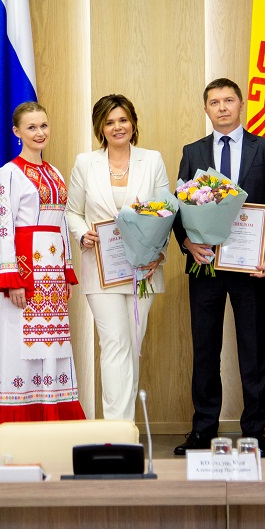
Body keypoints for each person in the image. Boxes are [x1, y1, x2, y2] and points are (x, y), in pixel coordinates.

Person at [172, 78, 265, 458]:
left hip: (250, 268)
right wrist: (187, 243)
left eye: (228, 100)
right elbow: (178, 207)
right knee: (205, 350)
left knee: (253, 351)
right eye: (214, 102)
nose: (222, 107)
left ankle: (254, 432)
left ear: (241, 105)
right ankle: (203, 430)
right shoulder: (192, 152)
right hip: (205, 266)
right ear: (206, 109)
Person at [0, 102, 85, 427]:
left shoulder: (55, 173)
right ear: (17, 132)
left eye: (44, 126)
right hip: (24, 272)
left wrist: (66, 271)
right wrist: (10, 276)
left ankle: (51, 412)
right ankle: (19, 420)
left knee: (52, 345)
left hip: (52, 273)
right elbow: (4, 226)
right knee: (19, 343)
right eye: (32, 127)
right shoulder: (8, 173)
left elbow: (61, 224)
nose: (40, 133)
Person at [67, 94, 169, 421]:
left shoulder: (152, 160)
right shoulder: (85, 163)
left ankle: (127, 427)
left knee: (132, 347)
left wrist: (159, 253)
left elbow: (167, 212)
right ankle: (114, 429)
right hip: (101, 269)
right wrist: (83, 234)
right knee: (115, 344)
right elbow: (72, 212)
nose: (117, 127)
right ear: (101, 128)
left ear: (133, 123)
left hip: (143, 269)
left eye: (123, 120)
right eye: (109, 122)